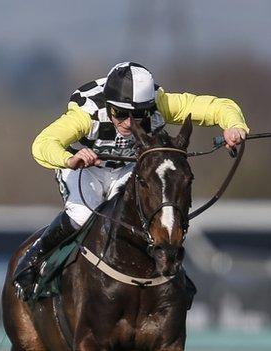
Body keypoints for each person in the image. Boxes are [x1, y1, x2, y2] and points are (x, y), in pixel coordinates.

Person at [13, 61, 249, 300]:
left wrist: (234, 126)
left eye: (137, 115)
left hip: (127, 168)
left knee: (141, 217)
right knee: (83, 216)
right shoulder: (86, 115)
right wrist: (69, 159)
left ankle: (172, 274)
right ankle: (33, 260)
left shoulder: (161, 104)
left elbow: (217, 107)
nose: (128, 122)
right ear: (109, 106)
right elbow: (42, 144)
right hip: (85, 168)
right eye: (120, 114)